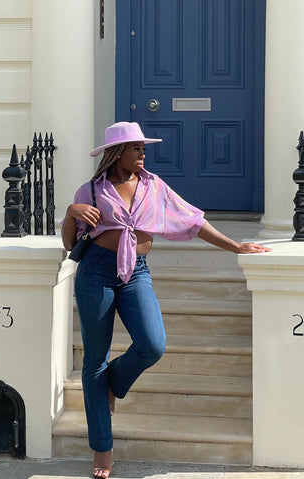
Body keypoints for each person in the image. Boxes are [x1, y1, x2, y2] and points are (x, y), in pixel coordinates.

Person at [61, 122, 270, 479]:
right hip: (95, 273)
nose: (143, 155)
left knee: (153, 345)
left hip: (136, 272)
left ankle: (113, 383)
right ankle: (102, 452)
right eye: (136, 149)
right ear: (117, 153)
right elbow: (70, 244)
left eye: (143, 149)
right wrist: (71, 212)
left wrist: (235, 246)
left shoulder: (154, 186)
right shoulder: (91, 190)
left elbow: (194, 220)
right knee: (95, 360)